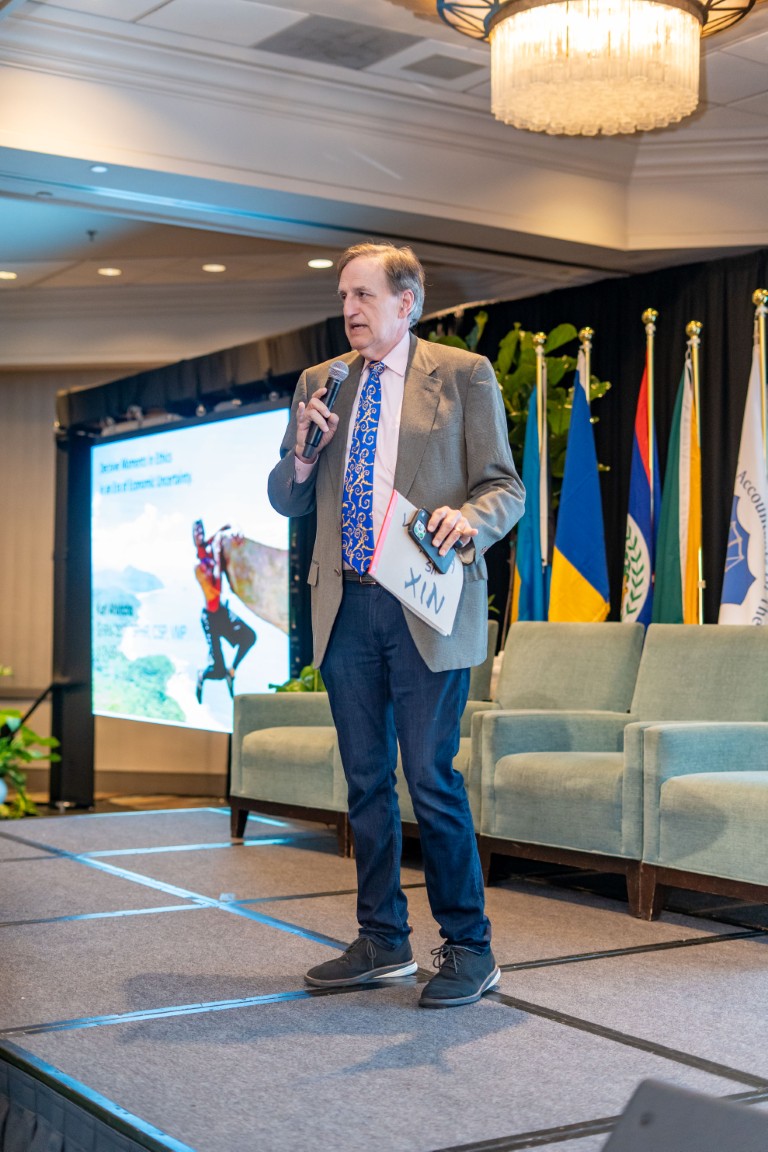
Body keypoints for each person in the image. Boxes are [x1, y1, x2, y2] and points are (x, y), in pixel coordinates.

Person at [268, 243, 524, 1008]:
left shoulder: (464, 375)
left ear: (406, 303)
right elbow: (286, 496)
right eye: (343, 296)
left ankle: (471, 948)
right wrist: (303, 457)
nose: (349, 309)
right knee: (365, 781)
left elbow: (504, 489)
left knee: (431, 778)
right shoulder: (321, 383)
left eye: (364, 295)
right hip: (345, 605)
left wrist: (469, 519)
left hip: (424, 605)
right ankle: (382, 939)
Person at [192, 519, 256, 704]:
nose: (200, 534)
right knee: (217, 670)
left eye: (201, 530)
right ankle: (202, 675)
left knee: (249, 637)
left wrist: (236, 530)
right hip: (210, 619)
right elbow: (215, 590)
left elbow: (228, 526)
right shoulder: (199, 565)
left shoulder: (210, 547)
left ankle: (232, 670)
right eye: (197, 532)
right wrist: (217, 554)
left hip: (221, 612)